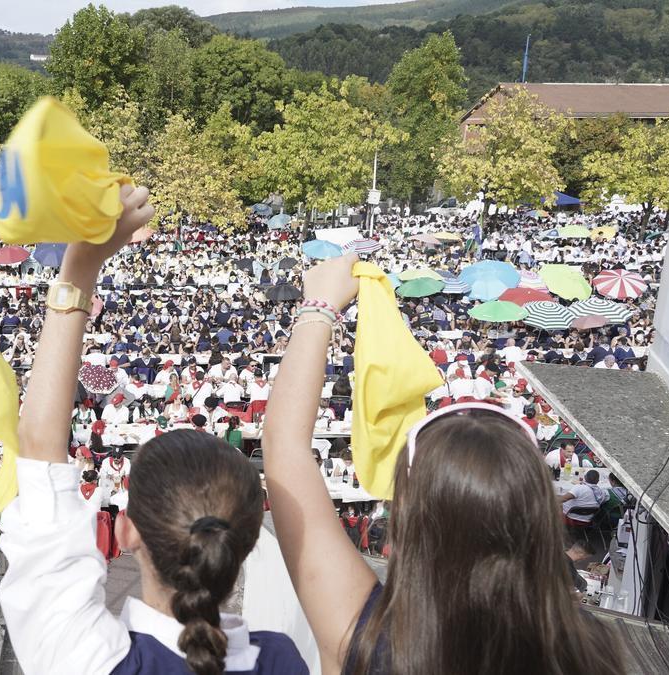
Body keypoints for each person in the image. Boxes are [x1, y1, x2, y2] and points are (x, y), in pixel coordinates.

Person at [260, 253, 623, 674]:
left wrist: (319, 307)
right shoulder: (590, 649)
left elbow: (284, 446)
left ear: (406, 518)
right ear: (540, 517)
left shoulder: (371, 638)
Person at [0, 185, 308, 674]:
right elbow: (39, 447)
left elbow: (39, 446)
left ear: (125, 531)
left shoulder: (86, 659)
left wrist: (81, 265)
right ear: (247, 546)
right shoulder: (284, 660)